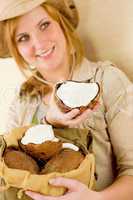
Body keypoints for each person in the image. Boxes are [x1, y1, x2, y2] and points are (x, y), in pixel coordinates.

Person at [0, 0, 133, 200]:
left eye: (44, 25)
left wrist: (95, 199)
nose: (39, 43)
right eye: (23, 37)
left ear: (61, 23)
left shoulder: (108, 80)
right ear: (16, 49)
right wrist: (49, 123)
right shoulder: (22, 100)